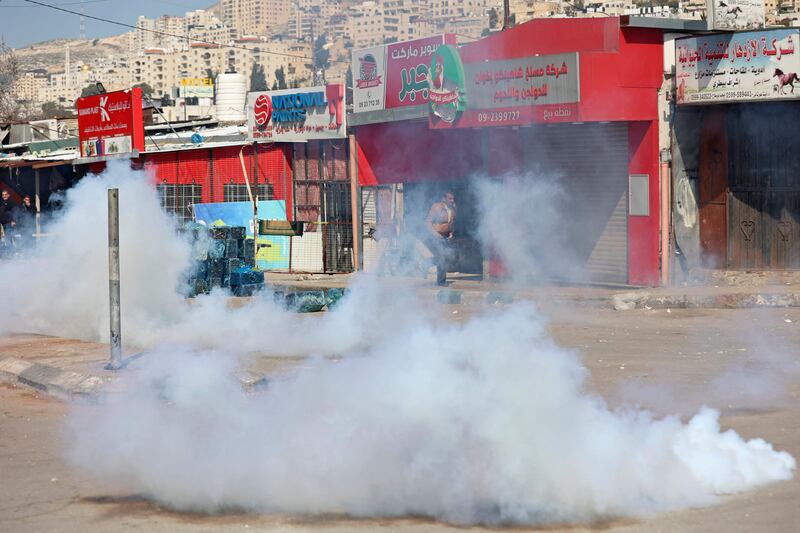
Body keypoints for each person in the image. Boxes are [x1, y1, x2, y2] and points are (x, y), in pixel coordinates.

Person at [425, 191, 456, 286]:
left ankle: (425, 264)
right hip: (435, 237)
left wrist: (451, 232)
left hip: (445, 237)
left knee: (445, 257)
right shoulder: (436, 207)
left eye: (453, 198)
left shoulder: (453, 208)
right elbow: (427, 222)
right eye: (450, 198)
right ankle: (441, 282)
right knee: (441, 257)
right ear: (444, 199)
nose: (452, 201)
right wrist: (435, 234)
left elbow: (451, 222)